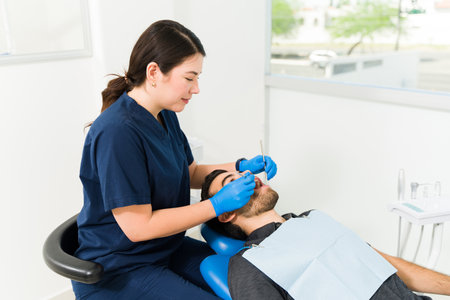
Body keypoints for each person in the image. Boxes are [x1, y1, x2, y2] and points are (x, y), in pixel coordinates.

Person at [72, 20, 278, 300]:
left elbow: (189, 171)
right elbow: (138, 227)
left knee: (249, 283)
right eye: (190, 78)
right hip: (119, 269)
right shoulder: (117, 132)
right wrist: (216, 204)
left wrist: (240, 166)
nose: (196, 89)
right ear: (154, 72)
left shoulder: (164, 114)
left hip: (165, 248)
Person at [200, 169, 450, 300]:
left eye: (244, 175)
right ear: (225, 212)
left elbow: (386, 266)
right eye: (232, 183)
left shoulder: (313, 219)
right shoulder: (248, 264)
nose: (247, 179)